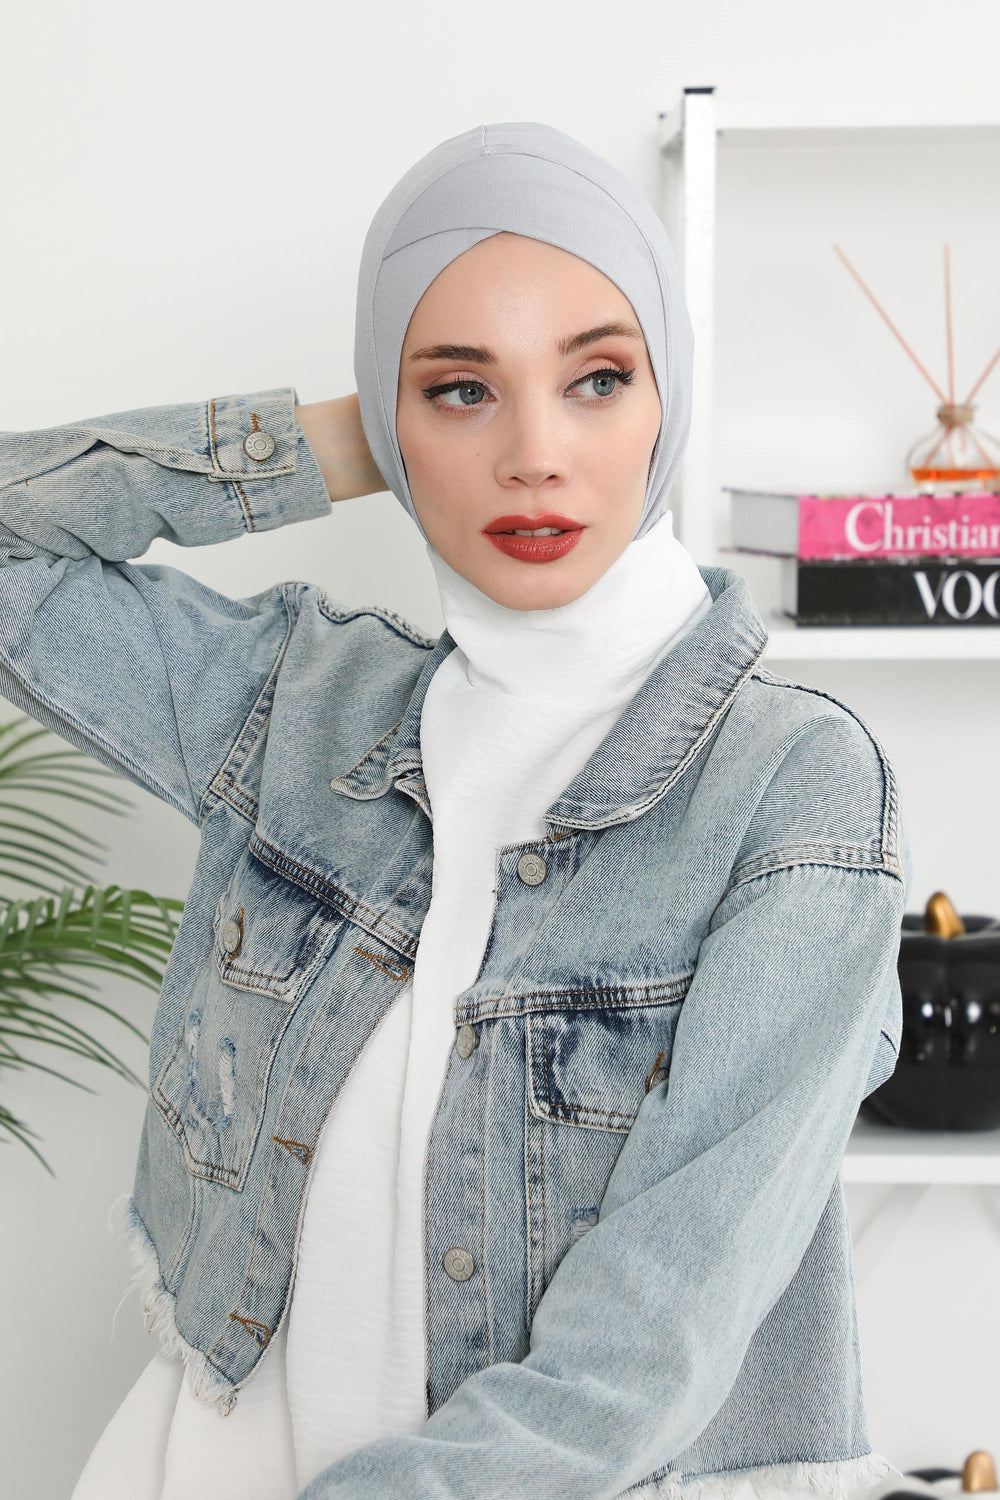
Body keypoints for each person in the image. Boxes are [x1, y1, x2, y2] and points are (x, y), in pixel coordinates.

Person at [0, 122, 911, 1500]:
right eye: (462, 391)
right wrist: (333, 443)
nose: (536, 453)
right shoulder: (295, 708)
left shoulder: (792, 789)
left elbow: (650, 1342)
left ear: (667, 395)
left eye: (598, 379)